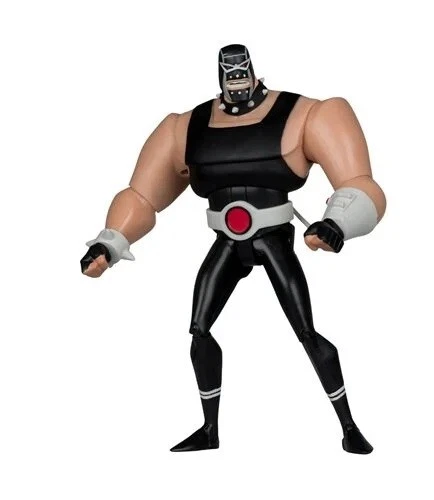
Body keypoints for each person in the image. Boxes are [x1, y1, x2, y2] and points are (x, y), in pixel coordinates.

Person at [81, 44, 386, 454]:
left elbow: (359, 183)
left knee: (306, 332)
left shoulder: (304, 115)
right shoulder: (184, 128)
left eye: (242, 72)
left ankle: (349, 427)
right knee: (199, 329)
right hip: (227, 240)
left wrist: (336, 224)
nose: (237, 81)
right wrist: (110, 242)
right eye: (230, 73)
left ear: (253, 71)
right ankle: (209, 430)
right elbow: (142, 195)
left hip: (273, 239)